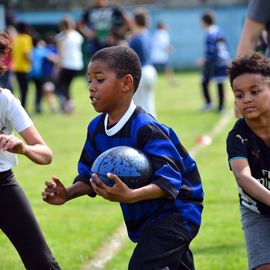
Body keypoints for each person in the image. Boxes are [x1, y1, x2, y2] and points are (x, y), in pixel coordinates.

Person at [42, 45, 204, 270]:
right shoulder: (96, 128)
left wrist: (131, 195)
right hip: (145, 213)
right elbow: (90, 174)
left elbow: (170, 180)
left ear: (126, 83)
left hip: (177, 211)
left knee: (142, 266)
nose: (91, 88)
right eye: (89, 80)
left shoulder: (146, 127)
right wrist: (67, 193)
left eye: (99, 80)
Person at [0, 32, 60, 269]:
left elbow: (46, 153)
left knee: (41, 260)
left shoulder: (5, 100)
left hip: (2, 185)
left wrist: (23, 147)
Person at [226, 52, 270, 270]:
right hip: (256, 209)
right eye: (239, 95)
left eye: (255, 91)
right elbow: (243, 177)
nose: (247, 99)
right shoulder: (237, 136)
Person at [197, 11, 230, 113]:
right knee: (219, 82)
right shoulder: (219, 30)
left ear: (205, 21)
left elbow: (211, 49)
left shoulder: (210, 33)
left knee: (204, 81)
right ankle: (221, 107)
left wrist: (204, 60)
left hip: (215, 61)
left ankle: (209, 104)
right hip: (223, 59)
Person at [128, 9, 157, 117]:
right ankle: (154, 128)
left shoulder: (136, 38)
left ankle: (146, 130)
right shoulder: (148, 34)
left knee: (139, 105)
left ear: (135, 21)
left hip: (141, 71)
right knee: (149, 103)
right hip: (151, 70)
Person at [55, 16, 84, 114]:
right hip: (77, 64)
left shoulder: (60, 37)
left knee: (60, 86)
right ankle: (70, 104)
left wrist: (58, 66)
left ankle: (68, 105)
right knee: (67, 86)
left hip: (66, 64)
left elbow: (61, 52)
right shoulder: (77, 36)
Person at [12, 22, 33, 110]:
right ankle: (23, 108)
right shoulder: (26, 38)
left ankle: (20, 107)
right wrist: (32, 61)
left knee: (20, 89)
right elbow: (26, 53)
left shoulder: (16, 39)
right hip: (24, 68)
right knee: (25, 90)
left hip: (16, 67)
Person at [150, 22, 177, 87]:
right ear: (162, 27)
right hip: (161, 56)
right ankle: (172, 82)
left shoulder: (155, 33)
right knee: (168, 69)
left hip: (154, 56)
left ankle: (151, 82)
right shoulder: (163, 33)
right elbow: (164, 45)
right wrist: (170, 49)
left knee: (154, 70)